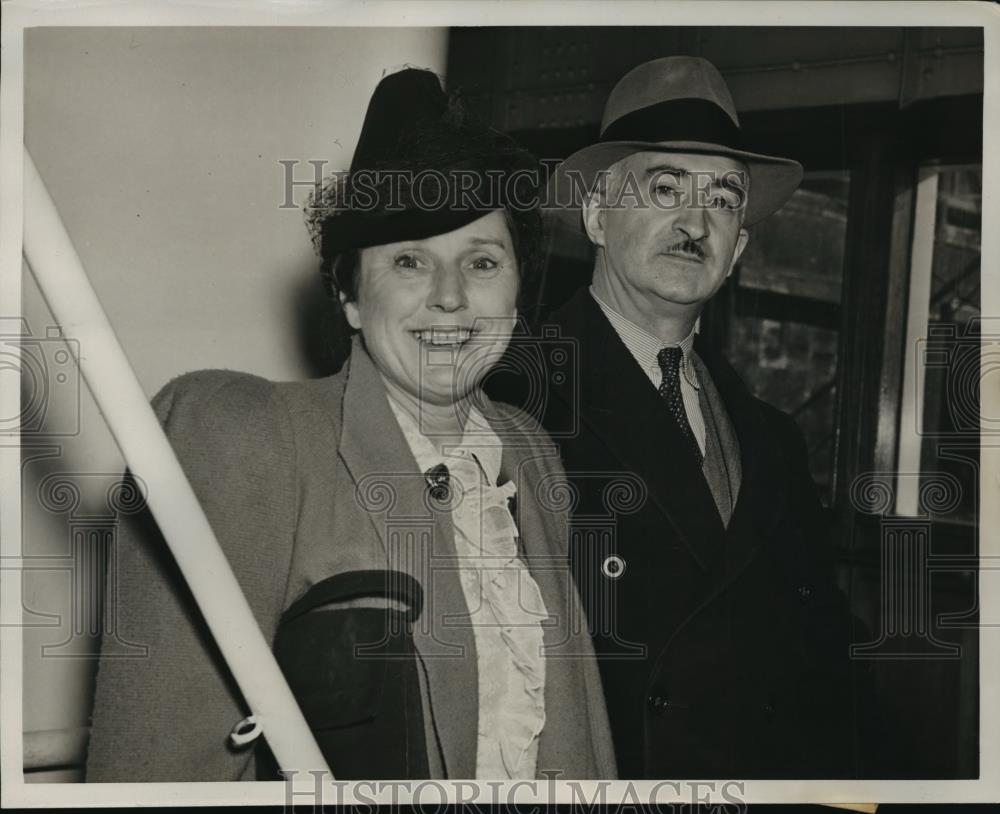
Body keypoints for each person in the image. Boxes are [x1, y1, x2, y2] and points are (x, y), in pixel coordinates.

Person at [85, 67, 616, 782]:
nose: (451, 297)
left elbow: (576, 738)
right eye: (409, 261)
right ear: (350, 297)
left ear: (518, 292)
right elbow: (157, 769)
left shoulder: (529, 452)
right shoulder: (245, 436)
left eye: (482, 261)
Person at [497, 56, 867, 778]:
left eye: (724, 200)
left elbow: (824, 659)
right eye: (664, 188)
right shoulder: (515, 396)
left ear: (740, 253)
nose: (696, 221)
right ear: (597, 215)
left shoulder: (773, 442)